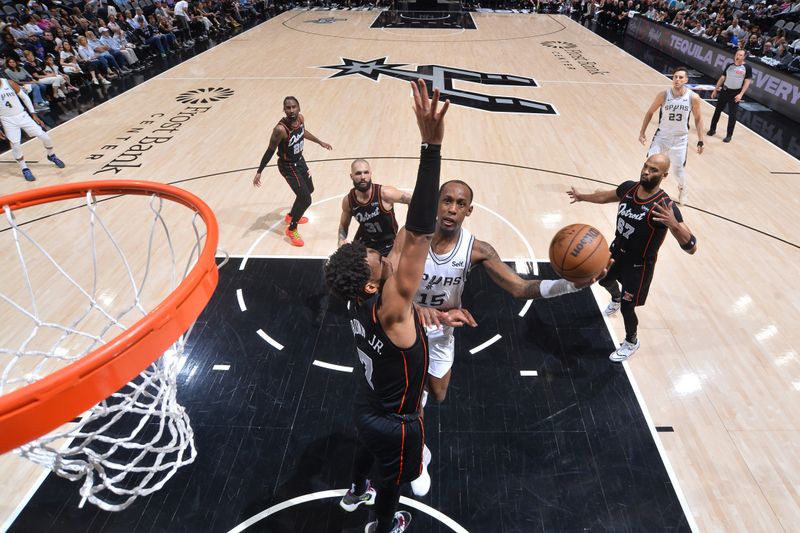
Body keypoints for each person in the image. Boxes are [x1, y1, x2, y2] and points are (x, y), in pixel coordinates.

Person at [324, 79, 448, 533]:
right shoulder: (393, 307)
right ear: (374, 285)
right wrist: (431, 146)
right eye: (375, 257)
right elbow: (416, 233)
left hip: (367, 400)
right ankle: (383, 522)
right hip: (397, 418)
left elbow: (397, 247)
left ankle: (355, 491)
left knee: (363, 445)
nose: (380, 253)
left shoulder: (358, 301)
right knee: (393, 477)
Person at [567, 153, 697, 363]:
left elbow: (691, 247)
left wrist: (673, 224)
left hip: (639, 265)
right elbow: (604, 196)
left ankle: (631, 341)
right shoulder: (629, 188)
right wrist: (582, 197)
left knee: (629, 307)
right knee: (604, 280)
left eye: (654, 169)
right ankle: (615, 298)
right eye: (646, 166)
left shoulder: (665, 206)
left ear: (664, 175)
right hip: (616, 252)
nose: (646, 171)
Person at [253, 96, 333, 247]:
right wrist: (259, 171)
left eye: (293, 107)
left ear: (299, 108)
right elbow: (270, 150)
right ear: (284, 109)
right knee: (306, 199)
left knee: (310, 189)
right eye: (288, 108)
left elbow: (303, 132)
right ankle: (292, 228)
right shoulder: (280, 130)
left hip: (300, 161)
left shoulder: (301, 119)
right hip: (287, 166)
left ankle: (291, 216)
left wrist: (319, 142)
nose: (291, 110)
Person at [638, 66, 705, 205]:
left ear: (686, 80)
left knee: (677, 170)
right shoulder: (663, 95)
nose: (677, 79)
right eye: (675, 77)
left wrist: (700, 140)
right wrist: (642, 132)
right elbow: (650, 112)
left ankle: (683, 189)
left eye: (681, 77)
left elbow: (698, 119)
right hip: (662, 136)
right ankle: (644, 189)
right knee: (650, 164)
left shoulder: (693, 97)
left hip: (680, 139)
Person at [337, 159, 410, 256]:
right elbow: (343, 225)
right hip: (364, 243)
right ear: (352, 176)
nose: (363, 177)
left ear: (370, 174)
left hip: (388, 243)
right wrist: (341, 240)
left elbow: (410, 199)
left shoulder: (384, 194)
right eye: (358, 173)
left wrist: (411, 227)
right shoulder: (348, 201)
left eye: (366, 172)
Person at [0, 77, 65, 181]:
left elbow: (24, 97)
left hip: (22, 115)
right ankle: (24, 169)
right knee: (15, 145)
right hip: (7, 120)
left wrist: (33, 114)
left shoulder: (9, 83)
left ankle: (51, 155)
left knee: (45, 137)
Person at [707, 49, 752, 143]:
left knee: (732, 115)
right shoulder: (729, 65)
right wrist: (715, 89)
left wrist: (741, 94)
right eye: (737, 54)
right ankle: (712, 129)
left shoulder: (747, 68)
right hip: (724, 91)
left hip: (735, 94)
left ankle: (729, 135)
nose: (738, 56)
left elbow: (747, 82)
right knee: (717, 111)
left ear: (744, 57)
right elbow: (723, 77)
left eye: (740, 55)